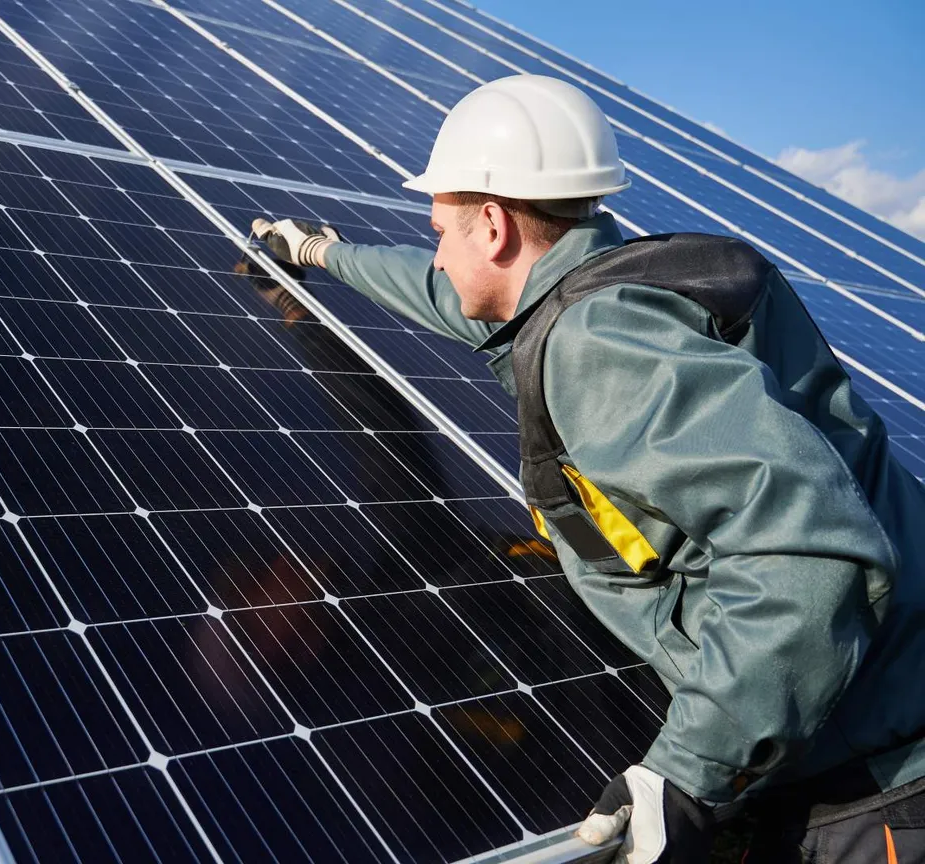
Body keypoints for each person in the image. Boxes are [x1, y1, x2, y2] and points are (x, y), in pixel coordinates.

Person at [252, 75, 925, 863]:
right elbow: (447, 291)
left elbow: (808, 551)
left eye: (442, 229)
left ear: (495, 225)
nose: (436, 250)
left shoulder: (603, 349)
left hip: (873, 790)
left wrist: (686, 772)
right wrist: (323, 254)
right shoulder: (610, 285)